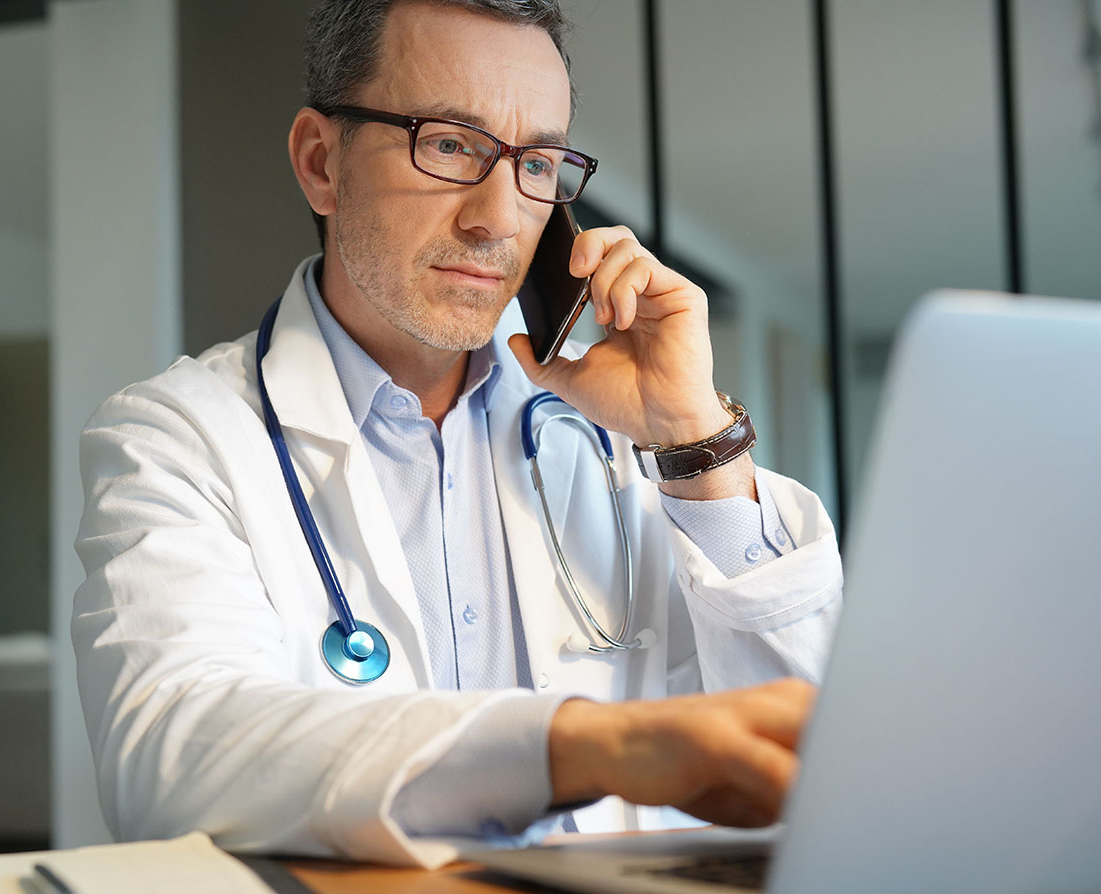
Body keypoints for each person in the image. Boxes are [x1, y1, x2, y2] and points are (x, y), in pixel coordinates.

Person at [72, 0, 843, 868]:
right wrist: (583, 747)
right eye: (448, 144)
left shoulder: (627, 432)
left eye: (538, 164)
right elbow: (173, 752)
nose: (499, 219)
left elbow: (820, 749)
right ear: (321, 164)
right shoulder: (179, 436)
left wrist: (693, 439)